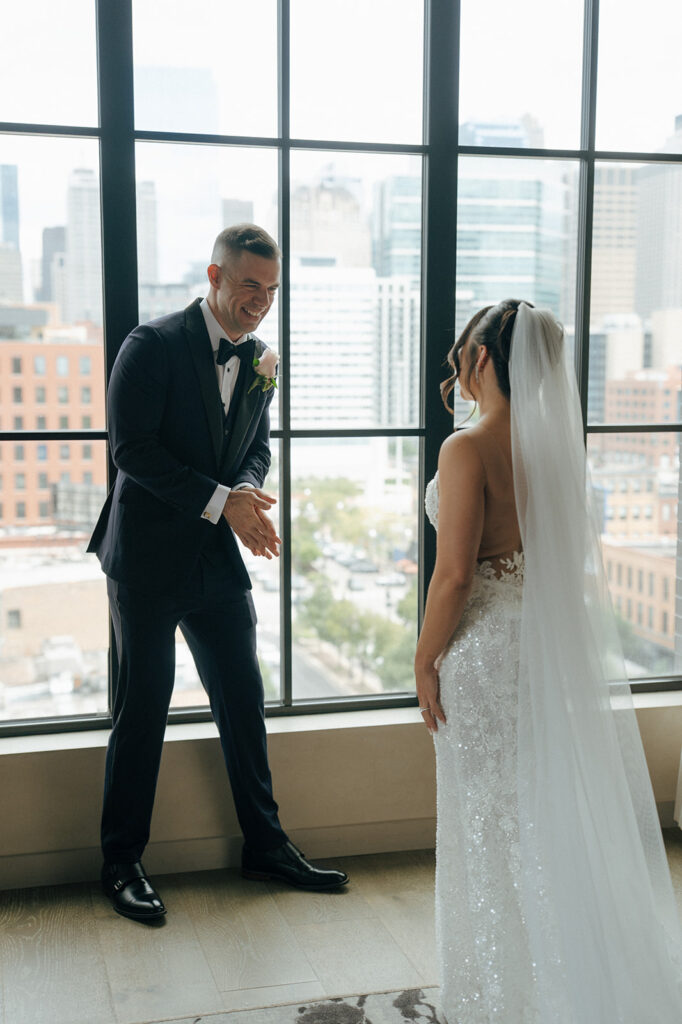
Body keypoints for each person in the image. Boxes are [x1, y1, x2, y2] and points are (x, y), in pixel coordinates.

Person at [416, 299, 682, 1022]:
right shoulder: (555, 449)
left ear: (480, 359)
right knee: (542, 817)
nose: (455, 366)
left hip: (485, 654)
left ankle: (504, 995)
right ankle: (566, 976)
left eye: (461, 354)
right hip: (539, 649)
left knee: (487, 828)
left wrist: (424, 657)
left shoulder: (465, 448)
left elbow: (456, 575)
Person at [88, 223, 348, 921]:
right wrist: (222, 502)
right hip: (143, 561)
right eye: (247, 286)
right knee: (142, 708)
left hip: (214, 559)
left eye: (271, 290)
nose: (260, 301)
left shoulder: (262, 358)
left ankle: (265, 845)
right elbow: (132, 451)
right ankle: (120, 862)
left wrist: (246, 493)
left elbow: (257, 446)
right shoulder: (151, 345)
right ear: (214, 276)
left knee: (244, 697)